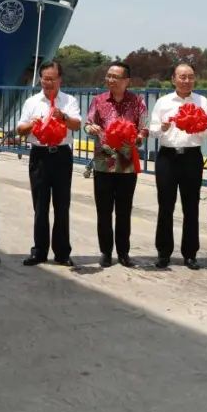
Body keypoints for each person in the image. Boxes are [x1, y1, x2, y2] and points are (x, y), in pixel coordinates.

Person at [149, 63, 207, 270]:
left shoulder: (202, 101)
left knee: (191, 207)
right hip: (168, 157)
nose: (187, 81)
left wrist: (201, 126)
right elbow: (151, 130)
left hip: (191, 157)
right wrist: (163, 127)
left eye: (190, 77)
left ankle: (190, 254)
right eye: (182, 77)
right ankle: (163, 252)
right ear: (173, 79)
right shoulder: (163, 101)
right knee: (165, 206)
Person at [17, 60, 82, 267]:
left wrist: (62, 116)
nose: (48, 83)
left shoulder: (69, 100)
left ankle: (62, 252)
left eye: (52, 79)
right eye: (45, 79)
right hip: (40, 156)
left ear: (60, 79)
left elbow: (77, 124)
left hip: (61, 155)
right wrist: (31, 124)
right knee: (40, 206)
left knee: (62, 206)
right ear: (40, 79)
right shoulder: (32, 102)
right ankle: (39, 251)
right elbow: (20, 128)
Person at [84, 61, 148, 268]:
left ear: (126, 81)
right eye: (108, 76)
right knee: (103, 210)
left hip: (127, 163)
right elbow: (87, 124)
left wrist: (137, 138)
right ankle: (105, 252)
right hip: (103, 161)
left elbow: (144, 128)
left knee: (124, 210)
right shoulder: (99, 100)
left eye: (116, 77)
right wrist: (90, 128)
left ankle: (123, 252)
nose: (110, 80)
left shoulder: (138, 101)